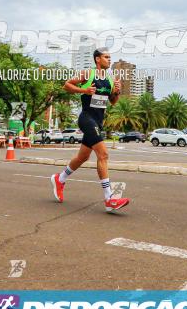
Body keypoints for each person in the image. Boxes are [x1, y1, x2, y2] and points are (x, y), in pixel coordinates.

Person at [50, 48, 130, 212]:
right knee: (103, 154)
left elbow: (113, 102)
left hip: (98, 121)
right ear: (97, 59)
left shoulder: (109, 79)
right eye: (106, 57)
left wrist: (117, 91)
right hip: (86, 119)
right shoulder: (88, 74)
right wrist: (84, 90)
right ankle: (109, 199)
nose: (109, 59)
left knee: (83, 157)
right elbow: (67, 85)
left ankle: (60, 178)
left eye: (110, 57)